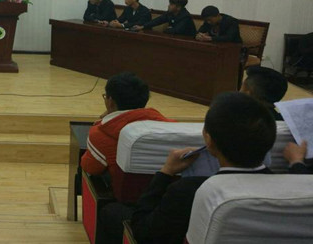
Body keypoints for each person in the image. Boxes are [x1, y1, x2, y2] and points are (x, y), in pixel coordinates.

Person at [98, 92, 275, 244]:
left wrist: (165, 172)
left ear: (209, 141)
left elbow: (142, 232)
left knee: (112, 212)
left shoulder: (189, 190)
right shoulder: (284, 185)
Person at [81, 73, 172, 179]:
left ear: (110, 101)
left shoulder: (100, 134)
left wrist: (103, 120)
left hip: (125, 188)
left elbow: (90, 168)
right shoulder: (170, 126)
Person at [132, 0, 196, 37]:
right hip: (174, 38)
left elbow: (176, 31)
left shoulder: (186, 17)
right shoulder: (170, 13)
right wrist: (143, 26)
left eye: (171, 4)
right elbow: (158, 20)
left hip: (187, 41)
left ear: (178, 7)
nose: (168, 6)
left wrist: (168, 29)